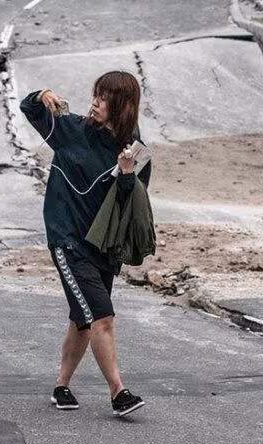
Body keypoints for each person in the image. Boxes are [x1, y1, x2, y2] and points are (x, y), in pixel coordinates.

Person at [20, 71, 152, 417]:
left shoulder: (132, 150)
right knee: (102, 317)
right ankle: (118, 392)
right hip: (67, 240)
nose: (95, 102)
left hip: (103, 247)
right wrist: (41, 94)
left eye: (104, 98)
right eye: (95, 95)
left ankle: (61, 386)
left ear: (122, 106)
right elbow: (28, 108)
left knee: (82, 318)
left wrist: (126, 175)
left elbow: (130, 206)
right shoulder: (71, 130)